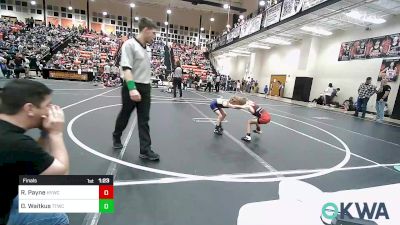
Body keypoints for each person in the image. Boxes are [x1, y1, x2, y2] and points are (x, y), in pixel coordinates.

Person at [0, 80, 69, 225]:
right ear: (29, 108)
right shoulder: (18, 144)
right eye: (47, 106)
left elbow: (37, 167)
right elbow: (61, 175)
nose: (49, 111)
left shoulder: (7, 135)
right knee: (58, 216)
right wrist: (56, 134)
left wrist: (44, 134)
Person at [112, 17, 159, 161]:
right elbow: (126, 68)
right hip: (131, 85)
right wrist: (132, 89)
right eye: (153, 33)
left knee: (144, 120)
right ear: (145, 30)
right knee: (125, 115)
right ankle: (116, 136)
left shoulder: (147, 49)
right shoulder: (129, 45)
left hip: (145, 87)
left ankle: (145, 150)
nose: (154, 36)